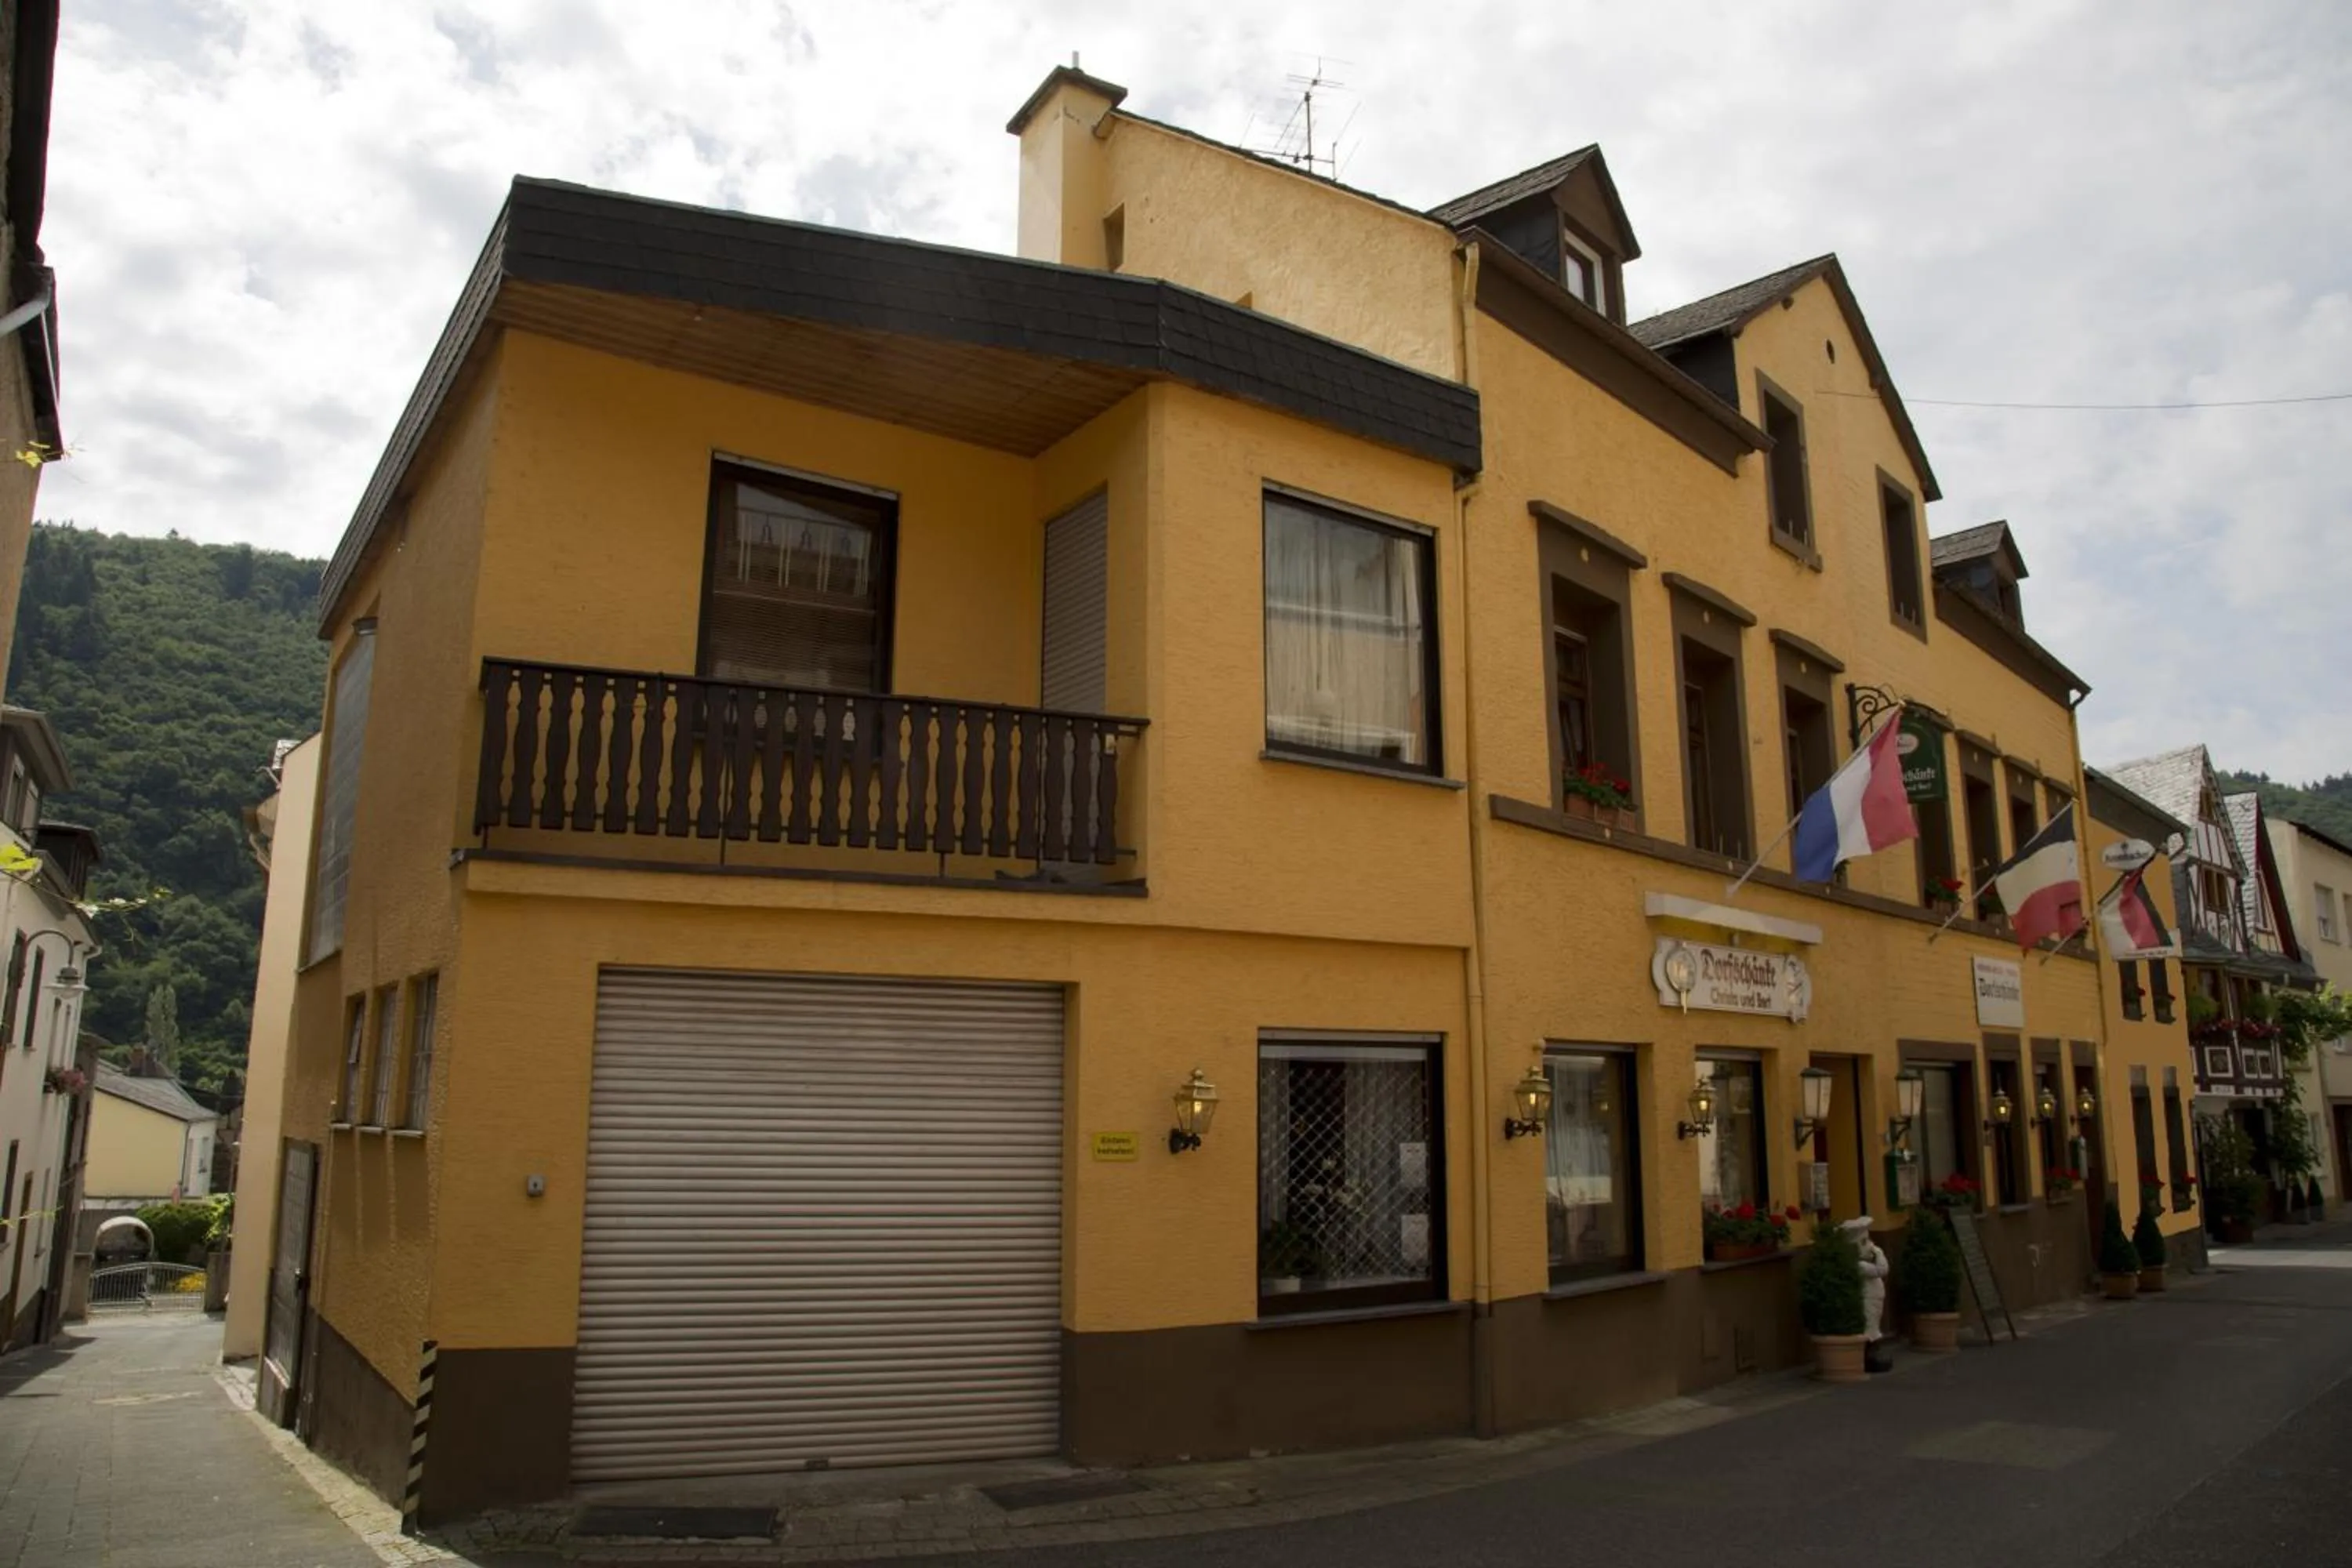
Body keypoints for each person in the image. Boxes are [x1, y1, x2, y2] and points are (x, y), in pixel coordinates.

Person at [1844, 1215, 1892, 1373]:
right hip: (1867, 1297)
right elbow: (1879, 1270)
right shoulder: (1859, 1265)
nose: (1868, 1244)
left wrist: (1876, 1252)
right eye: (1864, 1242)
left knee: (1874, 1323)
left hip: (1876, 1297)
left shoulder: (1873, 1254)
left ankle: (1873, 1355)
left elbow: (1884, 1268)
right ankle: (1868, 1357)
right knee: (1869, 1326)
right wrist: (1873, 1257)